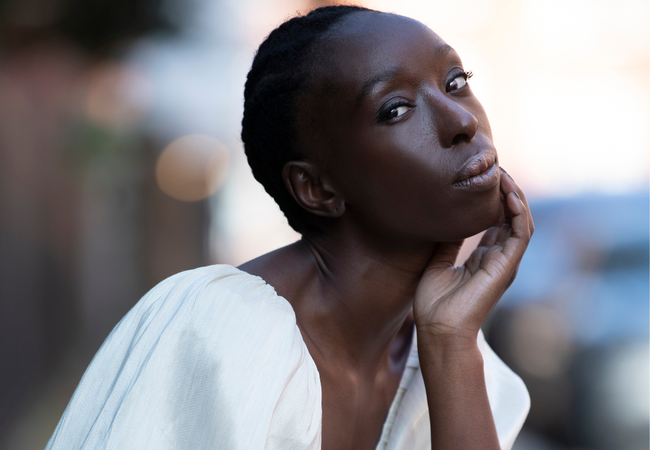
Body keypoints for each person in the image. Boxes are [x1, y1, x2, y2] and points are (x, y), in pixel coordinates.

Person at [46, 5, 534, 450]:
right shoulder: (218, 332)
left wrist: (450, 341)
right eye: (396, 109)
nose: (461, 120)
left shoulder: (463, 364)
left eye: (454, 81)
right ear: (317, 188)